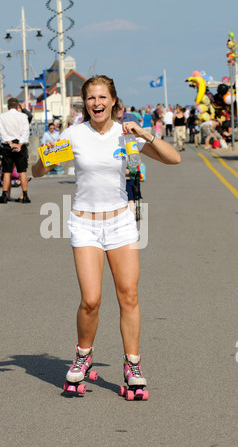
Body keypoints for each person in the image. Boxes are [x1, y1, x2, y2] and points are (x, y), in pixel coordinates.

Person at [32, 75, 181, 391]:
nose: (96, 103)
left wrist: (146, 134)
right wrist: (45, 156)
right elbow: (37, 171)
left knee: (129, 295)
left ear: (113, 100)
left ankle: (133, 365)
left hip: (120, 223)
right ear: (84, 104)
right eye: (90, 98)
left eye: (102, 97)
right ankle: (83, 356)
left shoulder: (125, 135)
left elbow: (174, 158)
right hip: (84, 224)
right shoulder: (74, 135)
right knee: (91, 300)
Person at [0, 97, 30, 204]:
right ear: (17, 105)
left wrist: (10, 144)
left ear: (8, 106)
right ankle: (25, 195)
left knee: (7, 171)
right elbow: (25, 131)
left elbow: (2, 131)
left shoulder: (2, 116)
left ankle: (5, 195)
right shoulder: (23, 116)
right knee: (22, 171)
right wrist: (19, 144)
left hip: (7, 146)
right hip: (20, 145)